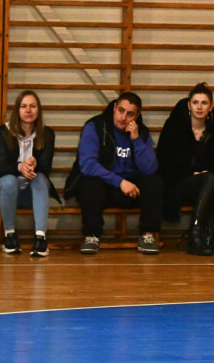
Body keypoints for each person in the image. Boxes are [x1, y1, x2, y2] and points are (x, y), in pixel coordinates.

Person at [64, 92, 165, 255]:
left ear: (137, 115)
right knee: (88, 183)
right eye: (121, 110)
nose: (123, 117)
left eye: (130, 114)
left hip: (132, 189)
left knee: (154, 182)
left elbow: (150, 169)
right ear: (114, 108)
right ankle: (92, 235)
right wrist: (119, 182)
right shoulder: (95, 127)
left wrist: (136, 140)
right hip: (105, 186)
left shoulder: (142, 132)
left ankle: (147, 234)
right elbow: (87, 165)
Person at [156, 82, 214, 257]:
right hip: (179, 183)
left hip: (208, 181)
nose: (199, 107)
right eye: (195, 102)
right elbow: (165, 162)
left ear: (210, 107)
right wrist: (192, 173)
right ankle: (195, 235)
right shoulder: (174, 127)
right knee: (212, 177)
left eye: (204, 103)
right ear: (189, 105)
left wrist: (205, 172)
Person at [0, 90, 59, 258]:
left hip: (31, 193)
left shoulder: (47, 133)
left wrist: (34, 165)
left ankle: (40, 239)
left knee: (40, 178)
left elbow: (46, 167)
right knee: (9, 181)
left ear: (39, 110)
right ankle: (10, 236)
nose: (28, 110)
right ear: (17, 110)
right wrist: (19, 167)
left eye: (32, 106)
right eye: (23, 106)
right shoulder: (3, 131)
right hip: (4, 191)